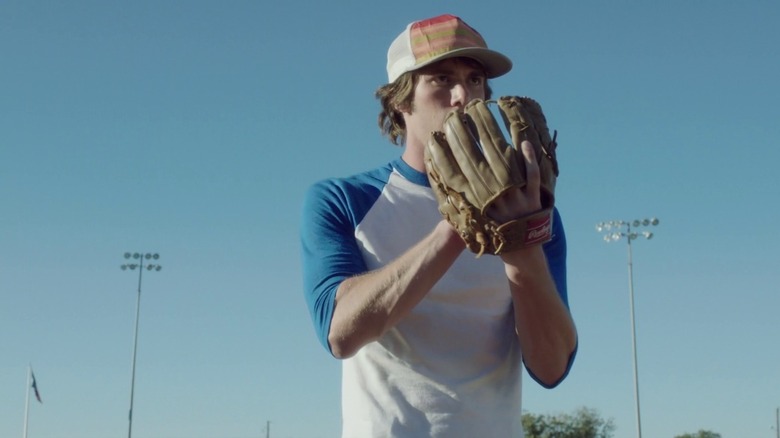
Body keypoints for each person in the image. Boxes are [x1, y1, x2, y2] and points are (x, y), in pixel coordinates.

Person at [300, 13, 578, 437]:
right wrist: (461, 222)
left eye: (475, 79)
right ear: (400, 100)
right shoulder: (343, 199)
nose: (463, 95)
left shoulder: (531, 209)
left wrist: (521, 249)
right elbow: (341, 334)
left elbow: (552, 367)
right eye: (442, 79)